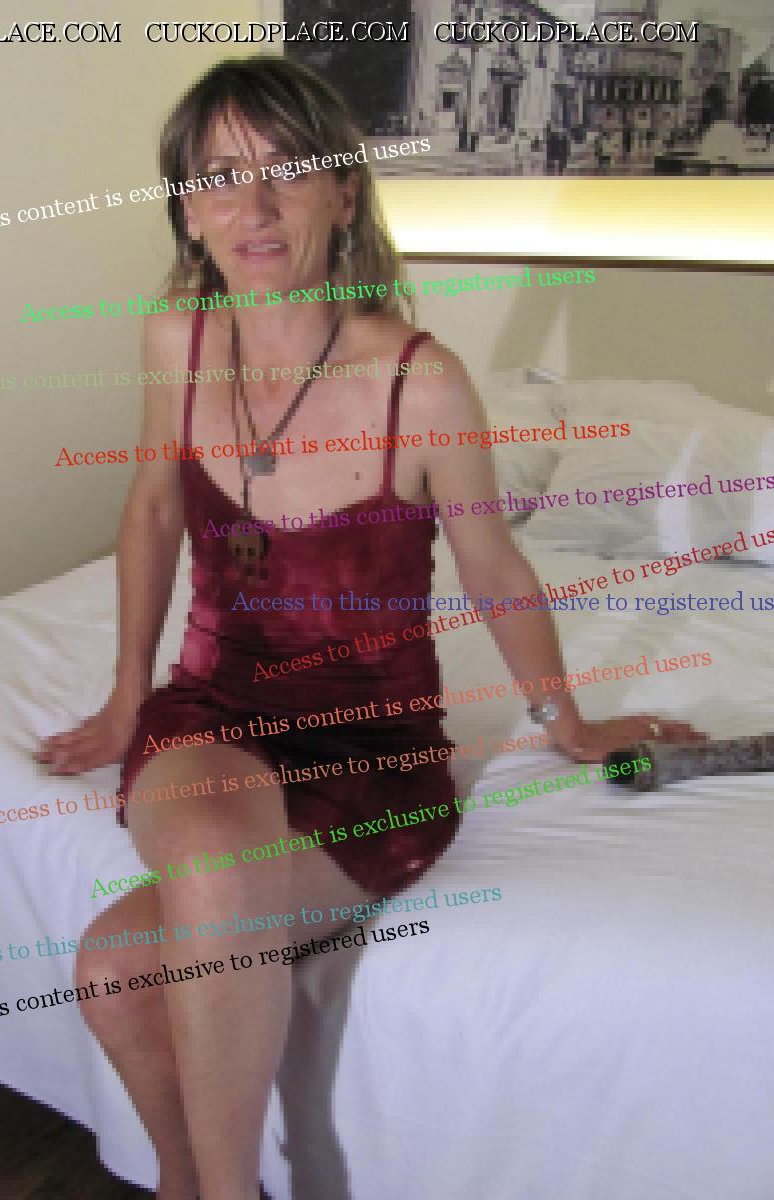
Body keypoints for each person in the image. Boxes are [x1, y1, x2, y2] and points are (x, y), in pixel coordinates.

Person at [36, 55, 702, 1200]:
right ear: (187, 211)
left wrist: (567, 722)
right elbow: (150, 508)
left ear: (342, 193)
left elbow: (491, 565)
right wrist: (124, 691)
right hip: (212, 710)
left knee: (113, 969)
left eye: (287, 171)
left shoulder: (419, 383)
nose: (254, 206)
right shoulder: (176, 336)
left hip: (371, 751)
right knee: (215, 858)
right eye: (219, 176)